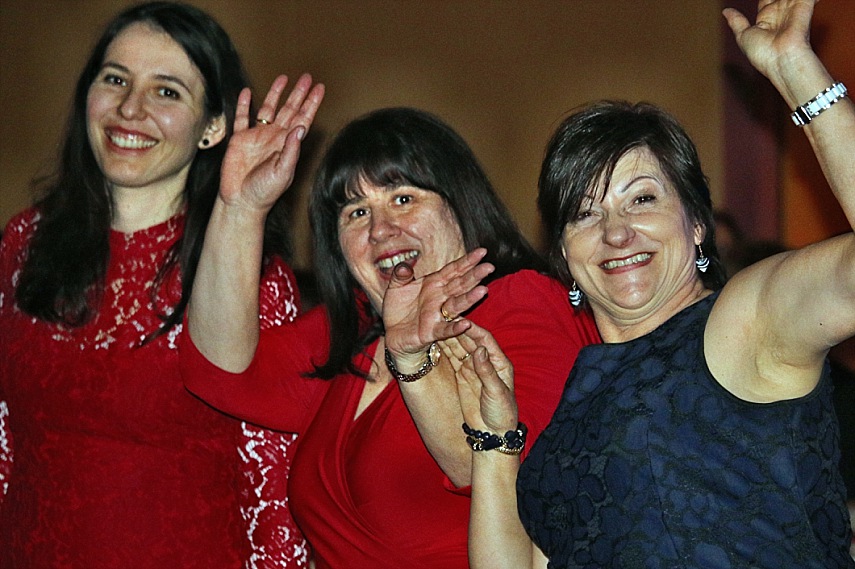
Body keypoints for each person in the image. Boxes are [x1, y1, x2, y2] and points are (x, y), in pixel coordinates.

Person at [441, 1, 855, 567]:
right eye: (585, 214)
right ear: (564, 254)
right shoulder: (577, 399)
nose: (616, 232)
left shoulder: (742, 321)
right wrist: (495, 441)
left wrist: (796, 70)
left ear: (697, 224)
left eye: (641, 199)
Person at [180, 106, 600, 568]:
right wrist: (240, 209)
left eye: (403, 199)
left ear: (460, 203)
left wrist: (412, 359)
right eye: (357, 212)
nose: (380, 230)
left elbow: (497, 472)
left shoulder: (523, 301)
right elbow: (217, 373)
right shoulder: (351, 330)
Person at [0, 3, 320, 567]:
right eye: (115, 79)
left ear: (212, 127)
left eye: (166, 91)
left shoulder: (251, 276)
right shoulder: (25, 241)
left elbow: (275, 484)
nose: (130, 108)